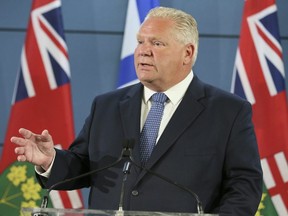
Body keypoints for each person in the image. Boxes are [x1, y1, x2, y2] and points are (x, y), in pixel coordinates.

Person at [11, 7, 263, 215]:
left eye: (157, 43)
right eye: (140, 41)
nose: (143, 50)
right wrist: (51, 161)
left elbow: (244, 186)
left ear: (187, 53)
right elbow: (85, 166)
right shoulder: (107, 106)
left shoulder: (228, 111)